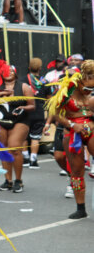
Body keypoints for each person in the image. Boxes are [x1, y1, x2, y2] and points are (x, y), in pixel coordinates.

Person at [46, 61, 94, 219]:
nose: (89, 92)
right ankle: (81, 208)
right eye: (87, 88)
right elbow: (56, 112)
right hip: (72, 133)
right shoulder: (67, 89)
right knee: (77, 171)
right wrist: (72, 124)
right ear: (82, 79)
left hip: (91, 129)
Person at [0, 66, 35, 193]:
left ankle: (18, 180)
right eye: (5, 71)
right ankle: (8, 180)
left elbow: (32, 105)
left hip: (20, 120)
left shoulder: (23, 87)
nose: (8, 73)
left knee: (14, 147)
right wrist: (1, 95)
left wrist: (22, 107)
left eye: (10, 71)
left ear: (15, 74)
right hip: (2, 121)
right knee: (4, 149)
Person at [43, 54, 72, 193]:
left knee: (74, 159)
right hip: (62, 127)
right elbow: (53, 110)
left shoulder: (81, 94)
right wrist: (48, 123)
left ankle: (74, 185)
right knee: (59, 156)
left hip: (77, 129)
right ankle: (72, 176)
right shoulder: (58, 95)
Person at [25, 58, 46, 168]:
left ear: (29, 67)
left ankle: (24, 158)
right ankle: (33, 160)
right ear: (40, 68)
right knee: (35, 137)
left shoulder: (23, 80)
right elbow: (49, 99)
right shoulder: (44, 81)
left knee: (23, 136)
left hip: (26, 111)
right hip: (38, 112)